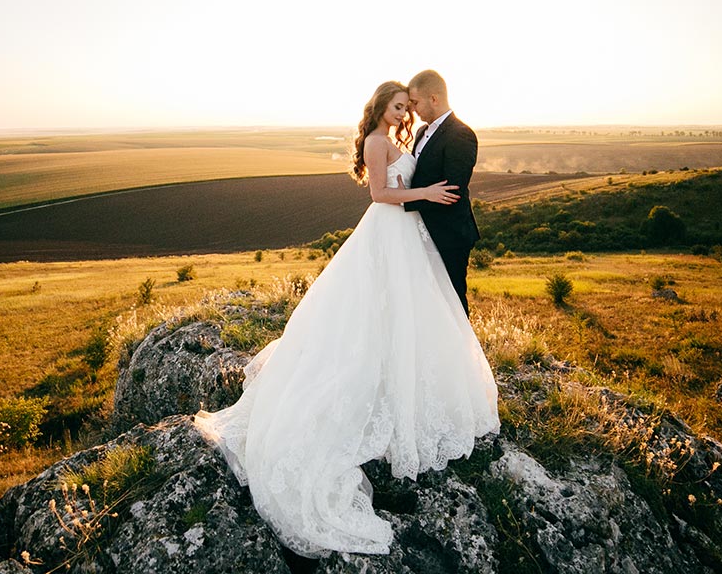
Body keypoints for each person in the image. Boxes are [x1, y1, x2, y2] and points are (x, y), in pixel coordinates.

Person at [193, 80, 500, 559]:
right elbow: (380, 194)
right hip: (389, 230)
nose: (405, 114)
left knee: (408, 313)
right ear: (381, 107)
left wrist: (425, 191)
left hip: (408, 235)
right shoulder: (379, 142)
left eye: (408, 107)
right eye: (399, 107)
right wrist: (425, 190)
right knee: (376, 313)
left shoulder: (402, 138)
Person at [404, 70, 481, 315]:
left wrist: (404, 201)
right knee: (428, 301)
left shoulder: (461, 134)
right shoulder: (421, 132)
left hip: (450, 233)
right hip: (424, 230)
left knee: (452, 298)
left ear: (434, 98)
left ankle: (463, 353)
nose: (412, 109)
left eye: (415, 103)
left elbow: (452, 191)